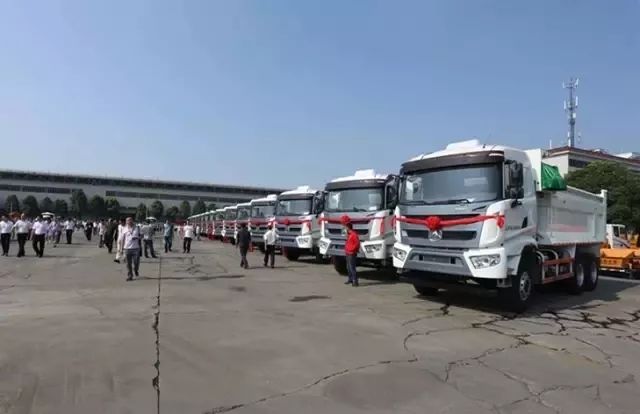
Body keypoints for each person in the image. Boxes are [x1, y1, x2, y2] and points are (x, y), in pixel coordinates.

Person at [118, 217, 141, 281]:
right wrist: (121, 249)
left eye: (130, 220)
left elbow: (141, 236)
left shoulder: (137, 228)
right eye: (128, 221)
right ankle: (130, 275)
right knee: (128, 263)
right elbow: (122, 239)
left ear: (132, 221)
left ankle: (136, 270)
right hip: (127, 248)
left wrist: (137, 237)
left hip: (136, 248)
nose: (129, 222)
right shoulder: (124, 229)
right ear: (126, 222)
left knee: (136, 262)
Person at [344, 222, 361, 287]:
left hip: (351, 253)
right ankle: (350, 279)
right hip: (348, 252)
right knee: (348, 267)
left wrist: (352, 249)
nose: (345, 228)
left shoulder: (354, 234)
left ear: (348, 227)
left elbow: (357, 243)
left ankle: (355, 281)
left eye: (345, 227)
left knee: (352, 267)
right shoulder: (349, 234)